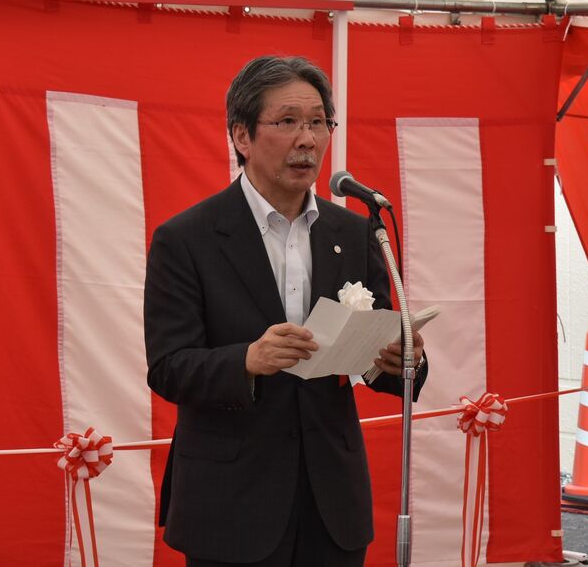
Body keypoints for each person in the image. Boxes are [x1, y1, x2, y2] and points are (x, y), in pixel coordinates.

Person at [143, 55, 428, 567]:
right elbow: (168, 367)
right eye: (288, 121)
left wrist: (399, 359)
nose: (308, 139)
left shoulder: (355, 231)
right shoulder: (186, 239)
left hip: (331, 501)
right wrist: (247, 360)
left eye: (319, 122)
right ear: (242, 136)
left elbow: (377, 356)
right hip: (230, 502)